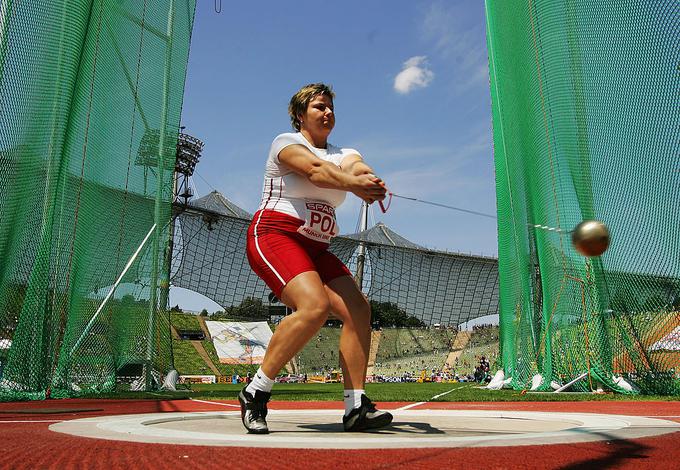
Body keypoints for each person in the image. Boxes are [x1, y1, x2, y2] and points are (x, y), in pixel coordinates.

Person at [238, 83, 392, 434]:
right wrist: (355, 185)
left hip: (316, 246)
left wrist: (370, 180)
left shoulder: (343, 152)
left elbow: (357, 166)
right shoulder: (286, 143)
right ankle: (256, 391)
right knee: (314, 305)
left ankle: (356, 407)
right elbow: (316, 172)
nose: (327, 113)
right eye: (319, 107)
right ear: (299, 115)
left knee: (358, 309)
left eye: (330, 108)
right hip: (275, 235)